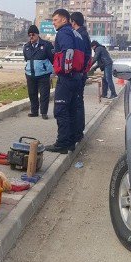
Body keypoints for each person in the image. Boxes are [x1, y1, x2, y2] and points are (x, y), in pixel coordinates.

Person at [46, 9, 87, 154]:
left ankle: (62, 143)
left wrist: (65, 70)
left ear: (64, 20)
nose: (53, 23)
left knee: (61, 110)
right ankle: (70, 142)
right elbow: (87, 56)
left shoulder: (63, 33)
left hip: (67, 77)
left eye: (55, 20)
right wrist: (80, 73)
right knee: (71, 110)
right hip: (77, 76)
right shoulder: (78, 34)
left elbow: (68, 51)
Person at [23, 24, 54, 119]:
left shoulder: (46, 45)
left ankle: (44, 113)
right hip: (30, 74)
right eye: (29, 35)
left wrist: (51, 71)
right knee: (32, 94)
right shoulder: (26, 46)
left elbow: (52, 58)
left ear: (37, 34)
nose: (31, 37)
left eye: (33, 34)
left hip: (43, 75)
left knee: (44, 94)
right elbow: (26, 59)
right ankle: (34, 111)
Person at [70, 12, 92, 144]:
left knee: (77, 103)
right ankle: (78, 131)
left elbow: (81, 56)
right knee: (79, 102)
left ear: (73, 22)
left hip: (79, 73)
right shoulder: (84, 34)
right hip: (82, 73)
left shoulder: (80, 35)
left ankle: (78, 132)